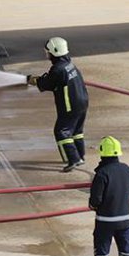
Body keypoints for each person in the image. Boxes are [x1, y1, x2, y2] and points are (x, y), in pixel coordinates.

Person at [26, 37, 89, 172]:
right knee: (76, 130)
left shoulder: (57, 69)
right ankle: (81, 156)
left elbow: (46, 84)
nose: (46, 53)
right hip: (82, 102)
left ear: (54, 52)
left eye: (47, 51)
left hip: (69, 106)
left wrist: (32, 80)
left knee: (62, 131)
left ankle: (73, 159)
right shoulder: (69, 64)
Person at [86, 136, 129, 256]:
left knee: (102, 253)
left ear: (102, 153)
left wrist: (94, 206)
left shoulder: (102, 173)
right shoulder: (127, 169)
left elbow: (96, 200)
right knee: (126, 251)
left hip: (105, 221)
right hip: (125, 221)